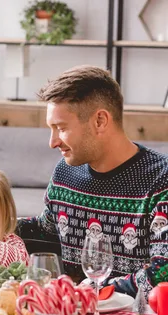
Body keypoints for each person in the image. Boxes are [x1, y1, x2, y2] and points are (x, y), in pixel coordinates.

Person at [17, 65, 168, 298]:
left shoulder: (161, 180)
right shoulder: (64, 173)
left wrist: (93, 293)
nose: (52, 142)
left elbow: (162, 272)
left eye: (61, 128)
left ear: (100, 121)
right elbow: (46, 232)